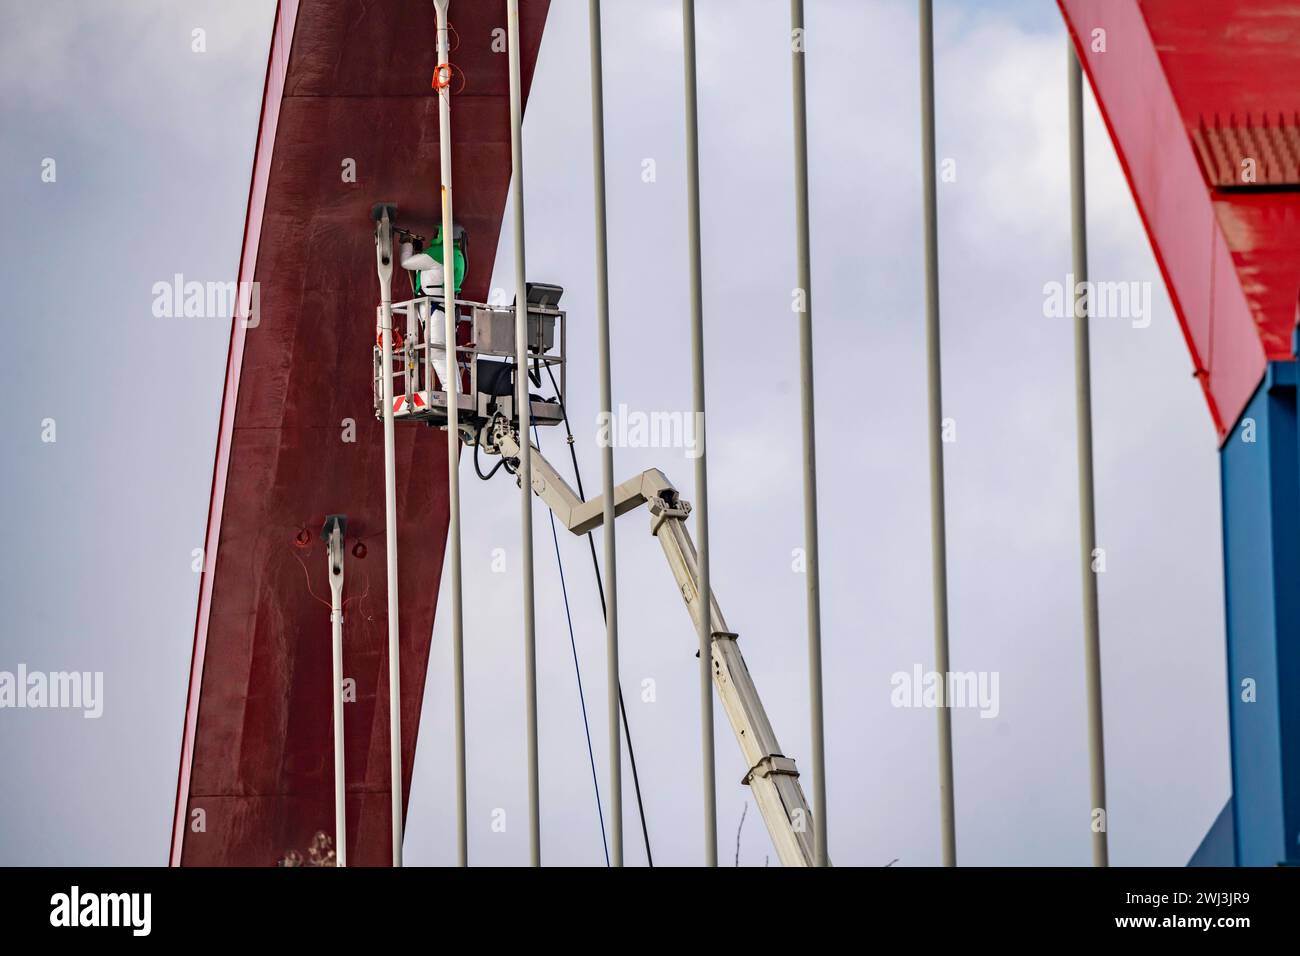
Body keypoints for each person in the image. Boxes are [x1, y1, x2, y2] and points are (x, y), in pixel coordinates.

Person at [401, 224, 466, 391]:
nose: (434, 235)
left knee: (437, 351)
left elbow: (407, 263)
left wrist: (406, 244)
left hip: (434, 308)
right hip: (445, 307)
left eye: (436, 232)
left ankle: (450, 390)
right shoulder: (457, 254)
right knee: (446, 350)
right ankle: (456, 390)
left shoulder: (439, 253)